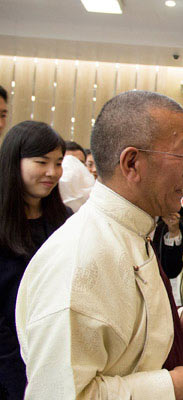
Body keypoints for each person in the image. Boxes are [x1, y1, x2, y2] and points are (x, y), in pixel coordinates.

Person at [16, 90, 183, 400]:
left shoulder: (134, 230)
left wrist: (171, 322)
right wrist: (171, 388)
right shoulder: (78, 262)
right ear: (132, 163)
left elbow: (115, 336)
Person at [0, 121, 71, 400]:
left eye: (58, 163)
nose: (52, 173)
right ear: (13, 162)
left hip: (54, 355)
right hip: (9, 361)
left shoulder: (63, 219)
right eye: (41, 162)